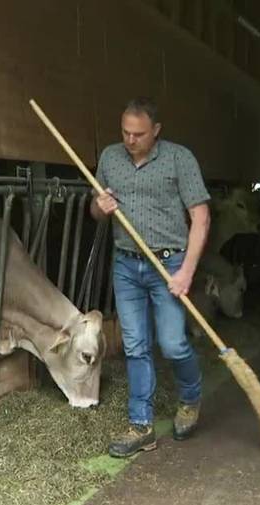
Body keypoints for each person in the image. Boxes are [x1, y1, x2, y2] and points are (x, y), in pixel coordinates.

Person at [90, 97, 211, 458]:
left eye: (138, 134)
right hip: (126, 265)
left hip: (168, 265)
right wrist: (101, 206)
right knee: (135, 345)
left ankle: (190, 397)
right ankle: (141, 425)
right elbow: (94, 210)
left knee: (173, 344)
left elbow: (201, 217)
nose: (130, 140)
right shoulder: (110, 158)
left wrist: (187, 271)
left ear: (156, 131)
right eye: (125, 132)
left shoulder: (179, 159)